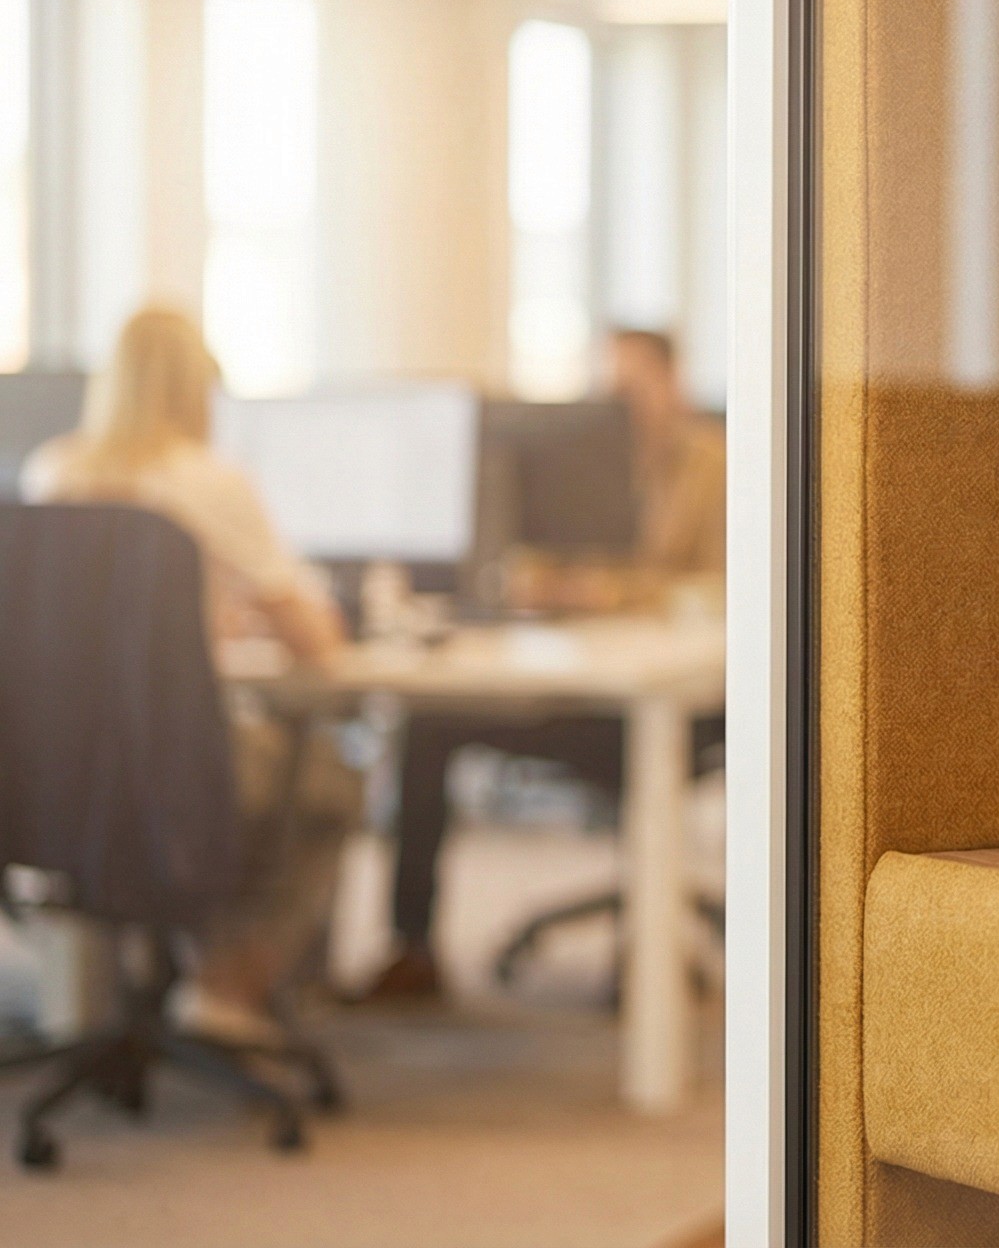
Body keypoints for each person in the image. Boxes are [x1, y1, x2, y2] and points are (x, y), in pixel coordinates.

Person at [21, 306, 358, 1047]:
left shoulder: (50, 470)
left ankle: (106, 998)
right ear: (200, 390)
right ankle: (228, 983)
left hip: (46, 767)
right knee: (331, 780)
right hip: (176, 762)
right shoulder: (210, 480)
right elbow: (320, 645)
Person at [360, 327, 725, 1002]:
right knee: (430, 721)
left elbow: (727, 589)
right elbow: (527, 562)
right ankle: (412, 950)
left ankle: (649, 962)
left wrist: (612, 592)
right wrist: (533, 582)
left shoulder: (717, 464)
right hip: (579, 687)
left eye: (627, 391)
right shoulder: (574, 463)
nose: (611, 409)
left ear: (672, 386)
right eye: (599, 393)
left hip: (678, 701)